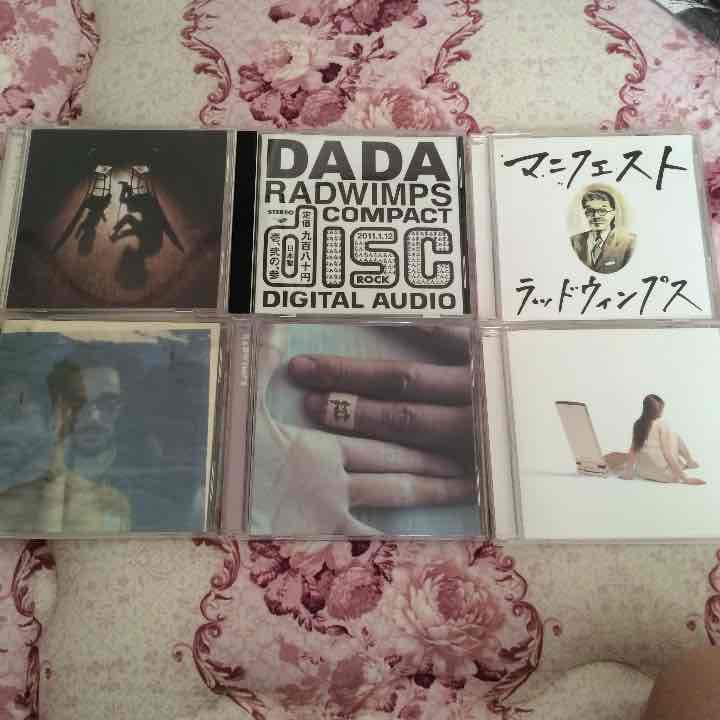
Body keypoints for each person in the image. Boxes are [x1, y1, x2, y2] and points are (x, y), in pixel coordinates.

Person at [0, 351, 131, 533]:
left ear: (122, 408)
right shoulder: (12, 502)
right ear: (57, 410)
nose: (94, 416)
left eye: (108, 403)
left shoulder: (145, 482)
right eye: (79, 402)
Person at [608, 394, 704, 485]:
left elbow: (633, 451)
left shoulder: (638, 424)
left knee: (657, 447)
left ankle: (685, 463)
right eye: (661, 409)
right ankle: (690, 461)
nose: (662, 411)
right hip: (665, 476)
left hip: (643, 472)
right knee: (674, 436)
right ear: (658, 410)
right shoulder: (661, 424)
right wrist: (685, 478)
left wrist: (628, 473)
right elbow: (667, 454)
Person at [570, 189, 636, 274]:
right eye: (590, 211)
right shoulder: (574, 241)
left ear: (613, 213)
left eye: (602, 211)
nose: (596, 216)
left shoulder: (629, 242)